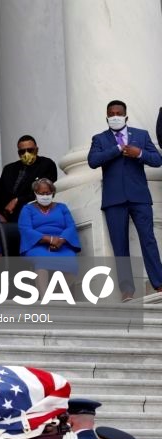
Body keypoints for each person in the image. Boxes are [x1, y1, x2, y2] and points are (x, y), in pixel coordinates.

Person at [87, 100, 162, 302]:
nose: (115, 116)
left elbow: (157, 160)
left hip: (139, 197)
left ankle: (159, 283)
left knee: (148, 240)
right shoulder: (99, 139)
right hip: (114, 200)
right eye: (111, 114)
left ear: (126, 116)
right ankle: (127, 290)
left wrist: (139, 153)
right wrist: (118, 149)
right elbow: (93, 161)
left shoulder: (141, 135)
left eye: (118, 113)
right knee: (120, 246)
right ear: (107, 118)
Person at [18, 178, 81, 293]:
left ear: (53, 193)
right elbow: (25, 229)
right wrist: (49, 239)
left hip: (61, 245)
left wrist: (60, 240)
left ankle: (54, 293)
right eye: (41, 193)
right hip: (37, 245)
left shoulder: (62, 207)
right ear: (35, 193)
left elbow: (71, 226)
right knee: (42, 260)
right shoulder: (27, 209)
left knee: (72, 264)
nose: (45, 196)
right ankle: (44, 299)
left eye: (48, 193)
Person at [0, 135, 58, 221]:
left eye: (30, 150)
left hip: (34, 215)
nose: (26, 153)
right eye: (22, 151)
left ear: (36, 150)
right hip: (7, 218)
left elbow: (45, 192)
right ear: (18, 153)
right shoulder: (9, 169)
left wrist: (17, 200)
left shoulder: (46, 164)